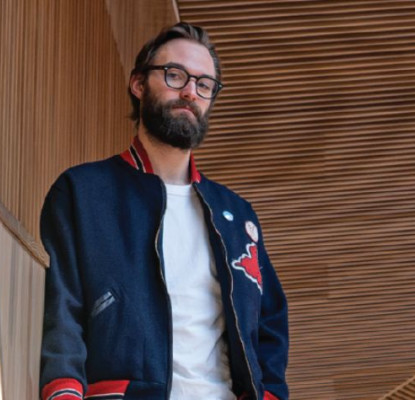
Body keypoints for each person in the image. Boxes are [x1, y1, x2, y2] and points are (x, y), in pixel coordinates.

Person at [39, 22, 289, 400]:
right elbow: (62, 307)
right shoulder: (83, 192)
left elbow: (269, 323)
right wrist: (63, 390)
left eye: (204, 85)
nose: (190, 91)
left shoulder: (236, 216)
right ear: (138, 84)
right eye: (176, 76)